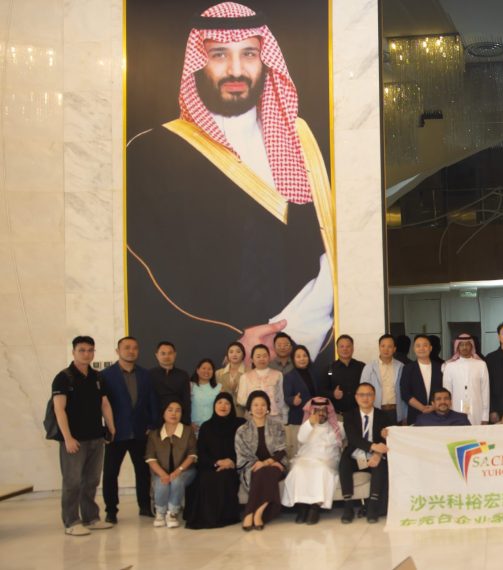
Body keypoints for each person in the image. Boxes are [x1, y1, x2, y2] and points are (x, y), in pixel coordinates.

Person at [126, 1, 335, 366]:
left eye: (249, 54)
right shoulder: (151, 152)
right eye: (219, 54)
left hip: (303, 352)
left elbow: (333, 250)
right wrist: (233, 344)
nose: (236, 70)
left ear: (265, 60)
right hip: (211, 363)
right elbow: (146, 274)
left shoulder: (303, 141)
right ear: (198, 62)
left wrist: (292, 336)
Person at [52, 336, 115, 536]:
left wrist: (111, 427)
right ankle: (71, 521)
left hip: (96, 437)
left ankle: (91, 518)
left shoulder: (97, 377)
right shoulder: (63, 377)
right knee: (72, 482)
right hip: (74, 440)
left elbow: (104, 403)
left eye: (90, 350)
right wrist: (68, 438)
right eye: (82, 350)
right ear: (73, 352)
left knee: (92, 480)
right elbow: (59, 409)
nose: (86, 354)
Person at [101, 336, 157, 523]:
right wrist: (106, 429)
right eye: (127, 347)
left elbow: (151, 401)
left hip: (140, 432)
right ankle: (111, 510)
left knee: (142, 472)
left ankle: (145, 506)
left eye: (134, 348)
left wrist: (151, 425)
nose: (131, 351)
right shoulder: (106, 375)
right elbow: (101, 404)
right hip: (116, 432)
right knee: (111, 473)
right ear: (118, 351)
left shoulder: (145, 375)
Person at [185, 392, 245, 529]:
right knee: (204, 479)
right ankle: (205, 518)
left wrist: (232, 462)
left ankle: (222, 518)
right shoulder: (206, 426)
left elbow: (246, 448)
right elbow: (201, 452)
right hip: (211, 465)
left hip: (232, 466)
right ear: (214, 405)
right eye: (219, 403)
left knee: (224, 478)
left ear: (232, 407)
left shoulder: (240, 424)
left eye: (227, 403)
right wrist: (217, 462)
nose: (223, 406)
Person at [282, 397, 343, 524]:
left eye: (323, 410)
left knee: (321, 470)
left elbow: (341, 439)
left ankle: (314, 508)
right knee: (298, 470)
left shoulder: (336, 427)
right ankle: (302, 508)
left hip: (327, 459)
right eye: (317, 410)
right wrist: (310, 423)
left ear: (328, 411)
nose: (321, 413)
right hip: (306, 457)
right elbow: (301, 438)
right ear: (311, 411)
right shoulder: (307, 425)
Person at [339, 383, 394, 523]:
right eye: (362, 395)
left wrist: (378, 454)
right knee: (344, 462)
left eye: (369, 394)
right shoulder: (349, 415)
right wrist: (373, 447)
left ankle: (373, 508)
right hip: (355, 454)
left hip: (375, 455)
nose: (365, 398)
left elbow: (387, 439)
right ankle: (348, 506)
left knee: (381, 465)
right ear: (356, 397)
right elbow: (353, 438)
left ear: (374, 397)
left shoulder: (383, 416)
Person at [235, 390, 288, 530]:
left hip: (274, 464)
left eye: (263, 405)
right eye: (255, 405)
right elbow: (242, 454)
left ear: (268, 408)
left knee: (268, 471)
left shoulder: (277, 426)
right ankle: (258, 512)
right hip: (251, 466)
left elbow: (281, 451)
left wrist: (266, 463)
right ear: (249, 408)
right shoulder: (242, 430)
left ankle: (252, 513)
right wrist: (257, 464)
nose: (259, 408)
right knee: (261, 472)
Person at [145, 400, 198, 528]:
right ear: (163, 413)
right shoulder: (154, 434)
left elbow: (192, 455)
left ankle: (172, 513)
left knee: (177, 480)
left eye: (178, 410)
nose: (174, 413)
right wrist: (163, 474)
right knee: (162, 481)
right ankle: (160, 512)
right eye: (170, 410)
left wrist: (178, 471)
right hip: (161, 470)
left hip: (185, 470)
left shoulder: (188, 431)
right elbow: (150, 459)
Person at [442, 333, 490, 424]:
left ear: (472, 346)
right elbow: (446, 392)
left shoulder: (481, 365)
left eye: (467, 344)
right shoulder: (449, 366)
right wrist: (447, 415)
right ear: (457, 347)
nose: (464, 347)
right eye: (461, 345)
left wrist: (485, 416)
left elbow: (485, 391)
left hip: (477, 410)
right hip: (455, 410)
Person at [282, 345, 320, 458]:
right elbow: (287, 397)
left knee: (315, 451)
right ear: (293, 359)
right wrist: (293, 400)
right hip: (298, 418)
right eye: (298, 356)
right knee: (299, 452)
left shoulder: (314, 373)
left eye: (304, 356)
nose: (302, 359)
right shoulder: (289, 376)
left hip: (315, 418)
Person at [360, 334, 406, 426]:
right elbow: (363, 391)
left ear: (394, 349)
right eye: (383, 346)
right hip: (376, 410)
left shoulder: (401, 367)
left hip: (396, 411)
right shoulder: (369, 367)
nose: (386, 349)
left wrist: (405, 414)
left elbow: (405, 390)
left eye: (389, 346)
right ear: (379, 347)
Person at [400, 334, 443, 425]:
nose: (421, 348)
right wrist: (422, 408)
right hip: (415, 414)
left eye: (425, 345)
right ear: (414, 349)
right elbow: (405, 393)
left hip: (437, 413)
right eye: (418, 346)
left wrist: (434, 407)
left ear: (430, 348)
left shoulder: (440, 368)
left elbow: (444, 390)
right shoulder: (408, 368)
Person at [236, 344, 286, 420]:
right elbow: (241, 400)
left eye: (265, 356)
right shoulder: (245, 377)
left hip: (273, 416)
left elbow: (281, 398)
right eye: (258, 356)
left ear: (269, 358)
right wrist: (256, 406)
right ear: (252, 359)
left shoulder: (278, 375)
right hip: (252, 417)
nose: (262, 359)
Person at [151, 341, 191, 425]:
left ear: (175, 354)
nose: (166, 356)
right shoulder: (149, 375)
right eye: (163, 353)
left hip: (178, 420)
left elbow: (186, 401)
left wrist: (186, 422)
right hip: (155, 421)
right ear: (156, 355)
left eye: (170, 353)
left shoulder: (183, 375)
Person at [327, 334, 365, 415]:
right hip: (337, 415)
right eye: (342, 346)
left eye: (348, 346)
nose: (345, 349)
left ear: (353, 348)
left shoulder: (361, 366)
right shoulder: (330, 368)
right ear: (337, 349)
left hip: (359, 414)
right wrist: (333, 394)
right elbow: (322, 390)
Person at [189, 358, 221, 430]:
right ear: (197, 370)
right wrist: (189, 422)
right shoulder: (190, 386)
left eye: (210, 369)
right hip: (193, 427)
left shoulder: (219, 388)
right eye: (203, 368)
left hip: (212, 427)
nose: (206, 371)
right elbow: (185, 406)